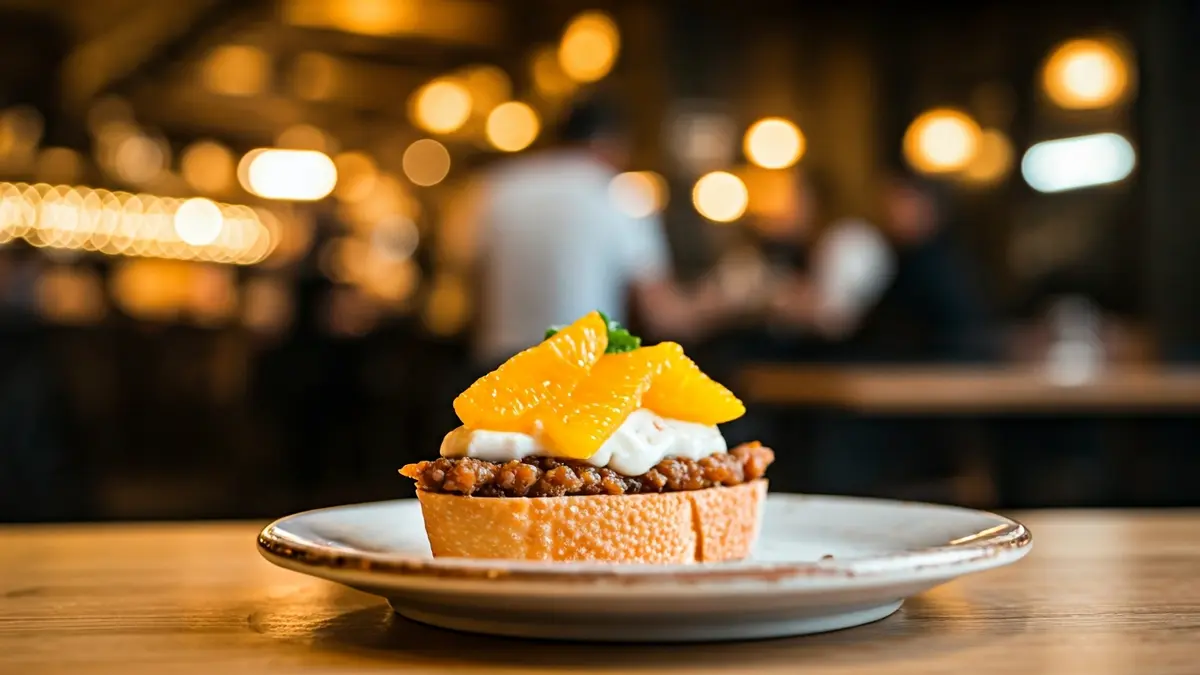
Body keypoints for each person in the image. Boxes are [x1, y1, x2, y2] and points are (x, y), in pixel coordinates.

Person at [458, 96, 732, 367]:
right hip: (581, 378)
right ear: (614, 144)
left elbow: (466, 292)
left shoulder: (495, 187)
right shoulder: (617, 193)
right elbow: (664, 317)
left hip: (497, 378)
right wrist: (726, 301)